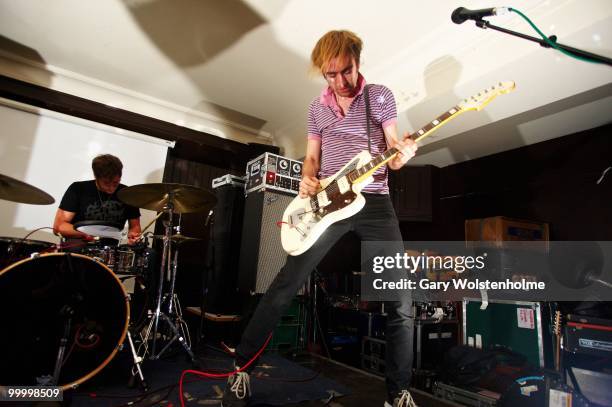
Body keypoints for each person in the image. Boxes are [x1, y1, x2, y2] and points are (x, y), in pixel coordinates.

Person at [222, 30, 418, 407]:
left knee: (401, 302)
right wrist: (306, 177)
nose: (340, 82)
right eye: (331, 75)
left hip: (375, 201)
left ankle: (399, 392)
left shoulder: (379, 96)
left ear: (358, 61)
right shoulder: (316, 108)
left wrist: (401, 155)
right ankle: (241, 368)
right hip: (327, 203)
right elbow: (312, 155)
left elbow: (393, 152)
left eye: (346, 71)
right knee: (284, 286)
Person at [53, 154, 141, 246]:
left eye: (115, 183)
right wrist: (87, 234)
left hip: (110, 249)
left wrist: (133, 237)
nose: (111, 188)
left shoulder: (128, 194)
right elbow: (59, 226)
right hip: (78, 245)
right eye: (106, 183)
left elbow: (135, 226)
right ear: (96, 177)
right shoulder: (78, 189)